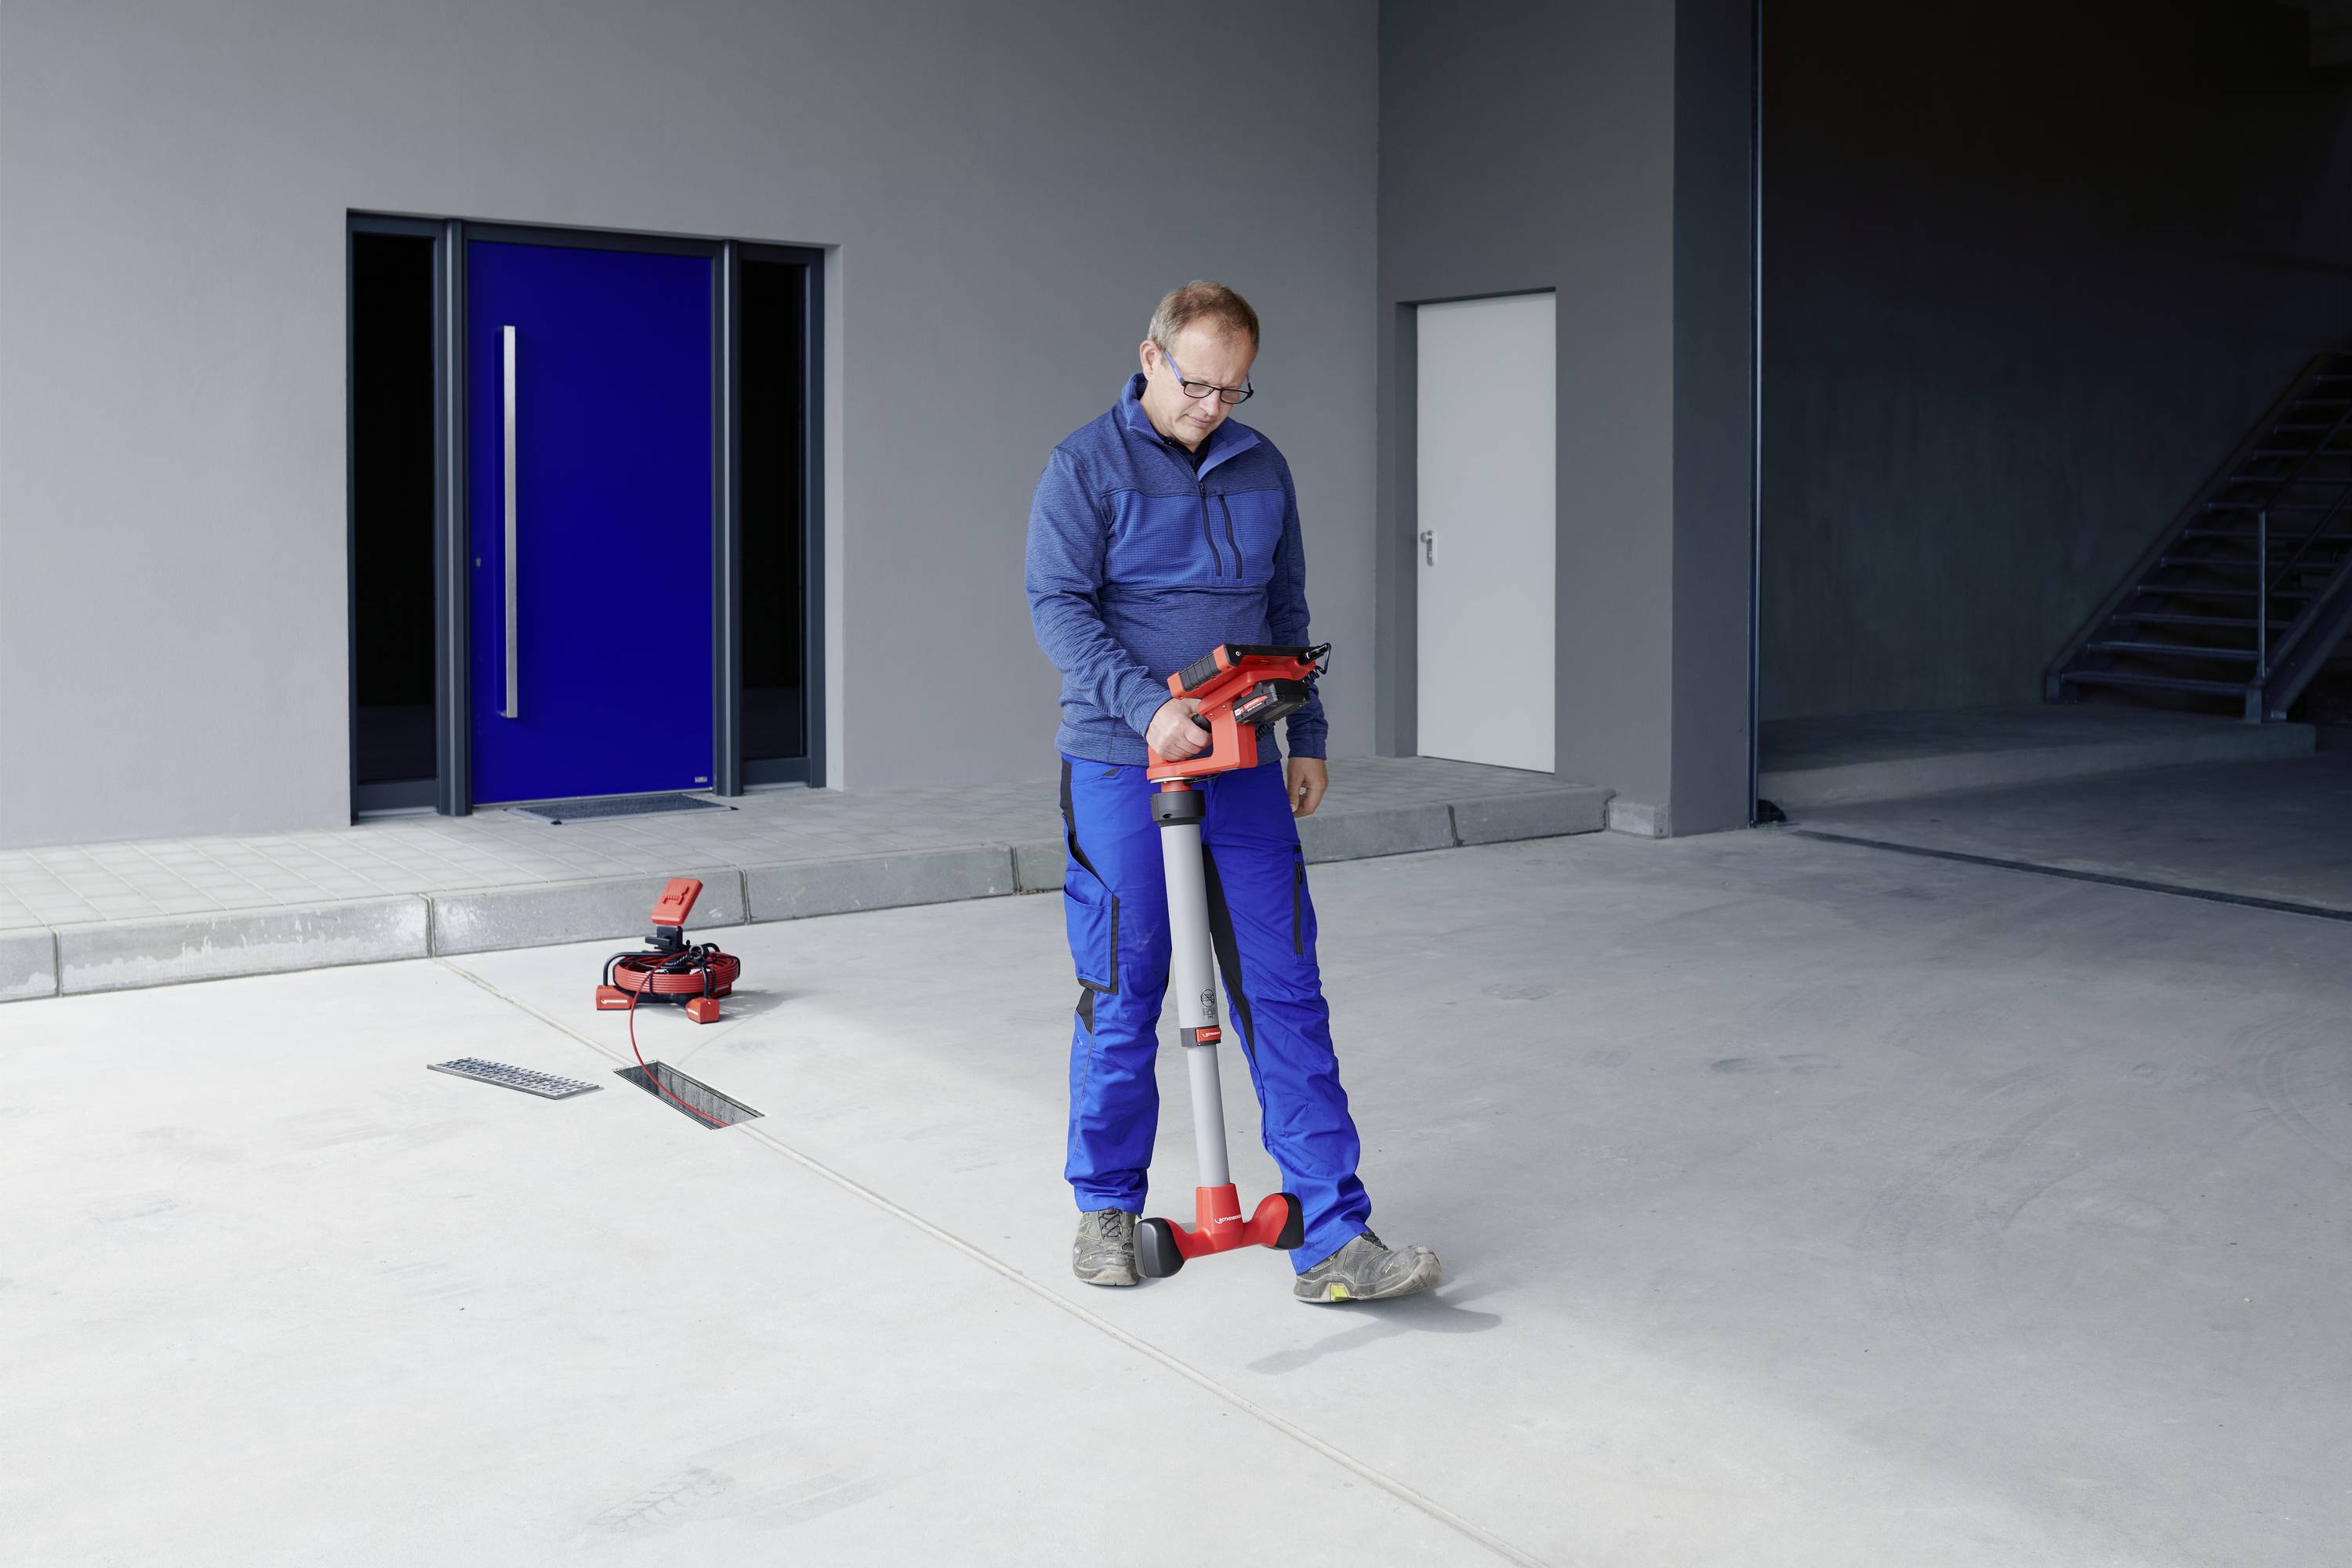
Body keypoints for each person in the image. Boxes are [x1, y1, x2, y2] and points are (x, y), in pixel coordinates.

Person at [1024, 281, 1441, 1304]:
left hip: (1246, 759)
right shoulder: (1085, 465)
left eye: (1235, 390)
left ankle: (1334, 1233)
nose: (1214, 408)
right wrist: (1142, 708)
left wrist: (1308, 733)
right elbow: (1059, 605)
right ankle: (1107, 1210)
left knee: (1284, 986)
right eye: (1198, 385)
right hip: (1127, 763)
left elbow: (1287, 607)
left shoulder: (1265, 467)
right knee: (1124, 988)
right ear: (1152, 357)